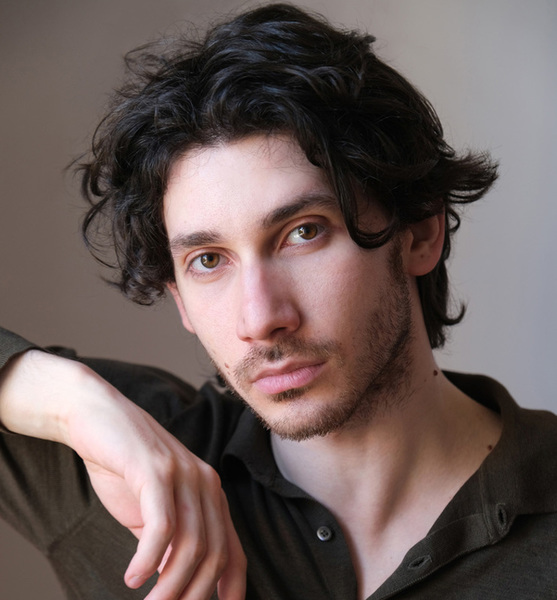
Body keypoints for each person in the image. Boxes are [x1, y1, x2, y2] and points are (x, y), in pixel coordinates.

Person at [1, 3, 556, 600]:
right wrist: (75, 406)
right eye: (208, 260)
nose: (261, 319)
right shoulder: (122, 470)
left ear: (419, 232)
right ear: (179, 300)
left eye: (303, 232)